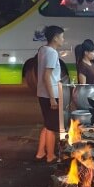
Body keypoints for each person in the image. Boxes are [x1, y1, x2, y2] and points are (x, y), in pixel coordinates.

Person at [34, 25, 65, 163]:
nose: (63, 39)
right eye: (62, 36)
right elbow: (47, 76)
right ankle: (50, 156)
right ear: (55, 38)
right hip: (50, 93)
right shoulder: (52, 53)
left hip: (42, 93)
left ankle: (41, 152)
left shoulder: (42, 50)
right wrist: (53, 98)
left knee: (47, 125)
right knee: (52, 127)